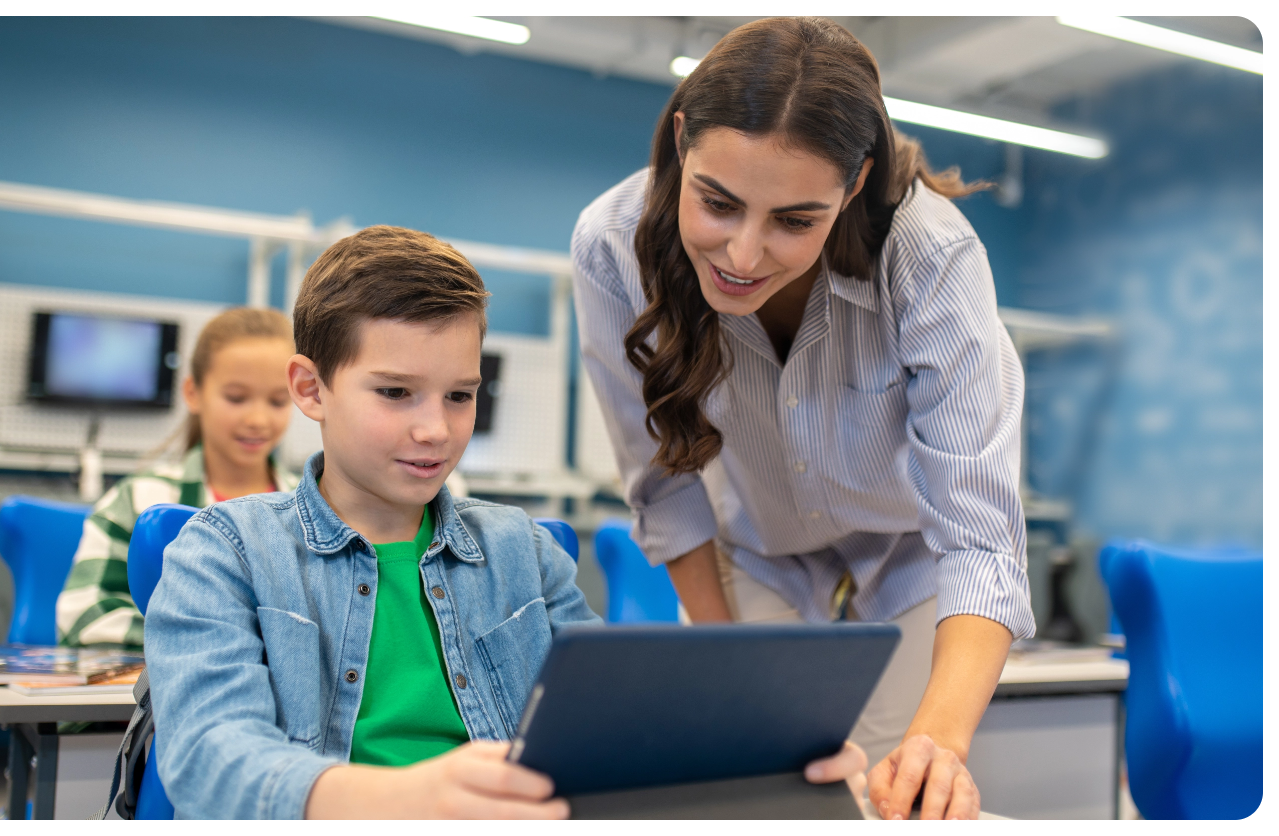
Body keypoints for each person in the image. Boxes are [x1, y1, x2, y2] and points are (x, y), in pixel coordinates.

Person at [142, 226, 868, 819]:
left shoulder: (524, 553)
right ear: (310, 388)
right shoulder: (224, 551)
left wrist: (771, 751)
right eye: (396, 392)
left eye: (460, 395)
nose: (435, 429)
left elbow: (615, 726)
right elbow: (210, 758)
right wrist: (403, 799)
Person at [571, 17, 1035, 821]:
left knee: (894, 795)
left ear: (854, 186)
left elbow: (978, 536)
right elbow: (664, 488)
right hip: (757, 549)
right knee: (759, 791)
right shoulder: (612, 246)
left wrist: (940, 747)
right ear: (683, 142)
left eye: (795, 220)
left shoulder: (932, 258)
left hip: (914, 554)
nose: (743, 256)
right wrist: (733, 680)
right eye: (717, 203)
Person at [56, 307, 302, 648]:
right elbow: (83, 617)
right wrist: (219, 639)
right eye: (236, 398)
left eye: (277, 401)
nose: (258, 419)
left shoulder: (315, 508)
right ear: (193, 393)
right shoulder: (138, 500)